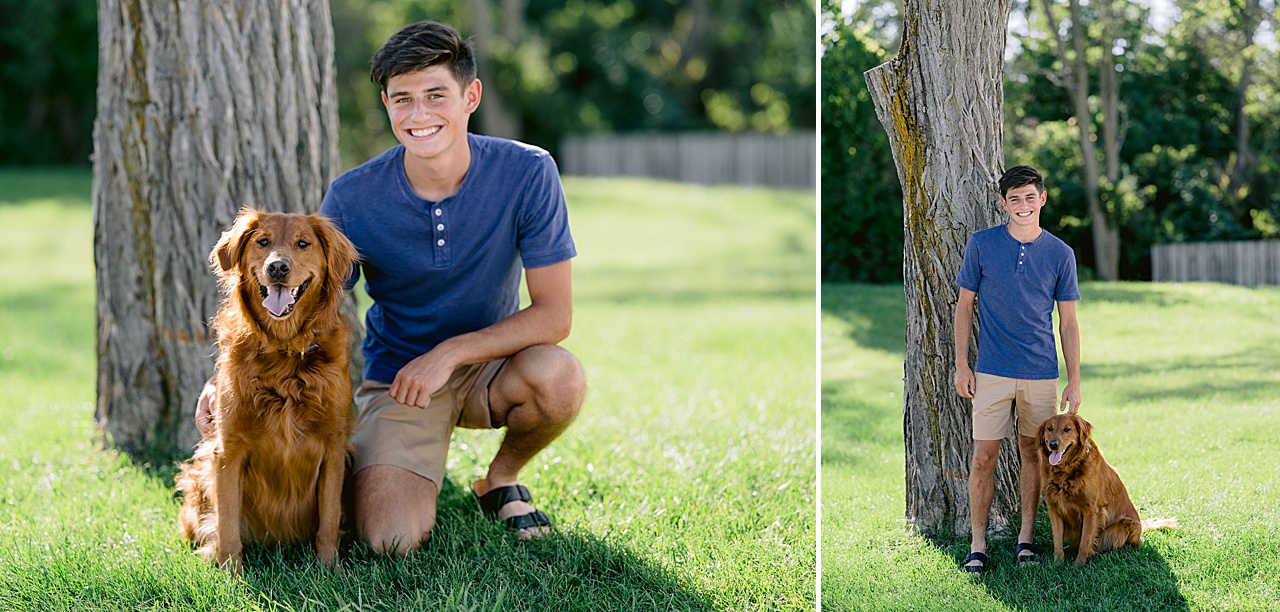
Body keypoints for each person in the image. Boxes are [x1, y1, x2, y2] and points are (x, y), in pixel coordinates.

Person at [196, 20, 584, 553]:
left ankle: (500, 479)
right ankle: (413, 466)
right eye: (403, 99)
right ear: (386, 104)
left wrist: (447, 354)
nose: (419, 115)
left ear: (470, 96)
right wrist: (227, 378)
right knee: (388, 540)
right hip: (399, 381)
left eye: (435, 95)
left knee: (559, 377)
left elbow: (554, 316)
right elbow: (303, 303)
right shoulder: (353, 196)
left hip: (495, 367)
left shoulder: (529, 171)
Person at [952, 165, 1081, 575]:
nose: (1022, 205)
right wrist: (961, 365)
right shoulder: (982, 244)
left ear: (1042, 199)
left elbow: (1068, 322)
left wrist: (1074, 378)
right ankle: (977, 545)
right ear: (1003, 203)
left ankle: (1026, 540)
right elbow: (964, 306)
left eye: (1030, 197)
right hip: (990, 371)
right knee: (983, 458)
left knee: (1034, 455)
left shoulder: (1061, 254)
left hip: (1041, 373)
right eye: (1014, 199)